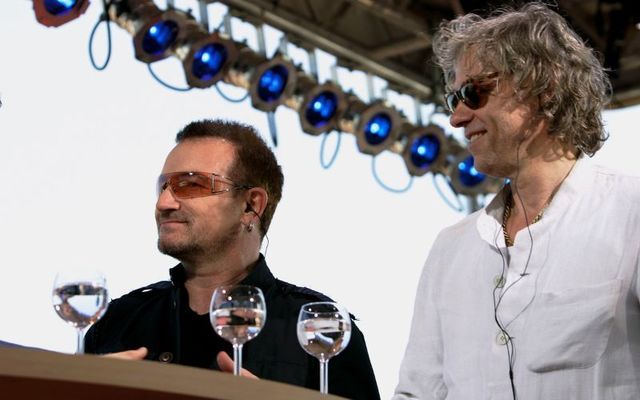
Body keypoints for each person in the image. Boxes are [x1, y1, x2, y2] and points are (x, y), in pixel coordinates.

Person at [394, 3, 640, 399]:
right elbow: (418, 393)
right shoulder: (449, 249)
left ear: (544, 88)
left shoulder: (632, 212)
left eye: (472, 92)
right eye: (453, 98)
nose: (456, 118)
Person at [85, 119, 380, 399]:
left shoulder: (323, 326)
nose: (164, 203)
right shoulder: (117, 320)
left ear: (251, 205)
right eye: (163, 186)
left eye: (190, 184)